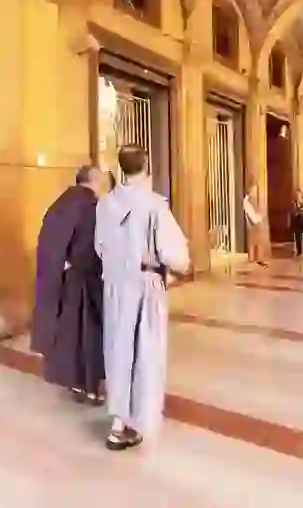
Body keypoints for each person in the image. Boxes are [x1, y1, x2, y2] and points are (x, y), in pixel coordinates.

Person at [95, 146, 190, 451]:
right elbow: (175, 255)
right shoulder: (154, 205)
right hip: (145, 286)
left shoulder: (105, 205)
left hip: (115, 285)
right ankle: (133, 422)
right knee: (145, 353)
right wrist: (179, 265)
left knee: (118, 349)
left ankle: (117, 421)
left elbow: (99, 247)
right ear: (146, 165)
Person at [31, 165, 110, 405]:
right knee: (91, 336)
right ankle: (91, 388)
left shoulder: (59, 204)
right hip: (86, 280)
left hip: (61, 281)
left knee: (69, 335)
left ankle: (75, 383)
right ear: (93, 180)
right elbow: (93, 245)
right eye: (102, 179)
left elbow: (48, 242)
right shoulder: (91, 206)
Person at [243, 183, 272, 267]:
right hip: (252, 224)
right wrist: (259, 217)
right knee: (255, 241)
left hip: (253, 223)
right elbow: (251, 215)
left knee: (256, 241)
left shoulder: (250, 201)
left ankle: (256, 259)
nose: (255, 193)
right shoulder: (247, 202)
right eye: (254, 190)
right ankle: (255, 259)